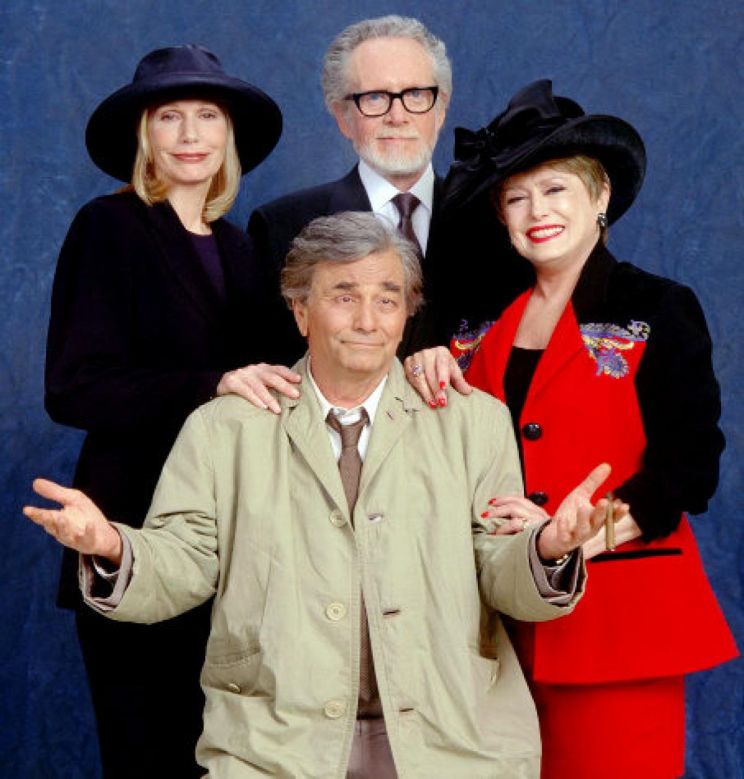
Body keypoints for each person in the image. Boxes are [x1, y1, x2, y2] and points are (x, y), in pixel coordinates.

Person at [28, 212, 626, 778]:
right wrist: (112, 548)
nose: (368, 320)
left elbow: (499, 571)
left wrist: (546, 549)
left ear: (407, 314)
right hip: (275, 746)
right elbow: (183, 562)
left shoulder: (473, 422)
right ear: (299, 311)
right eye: (343, 296)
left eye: (387, 299)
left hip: (452, 740)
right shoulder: (223, 428)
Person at [404, 80, 738, 779]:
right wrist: (420, 356)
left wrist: (573, 537)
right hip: (489, 629)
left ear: (600, 195)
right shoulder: (472, 324)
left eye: (555, 190)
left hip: (617, 622)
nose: (537, 212)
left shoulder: (658, 306)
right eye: (516, 198)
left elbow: (690, 468)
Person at [44, 44, 286, 778]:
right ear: (144, 135)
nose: (189, 134)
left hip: (234, 544)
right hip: (133, 531)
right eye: (168, 116)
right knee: (147, 755)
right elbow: (73, 387)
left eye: (207, 115)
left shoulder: (242, 248)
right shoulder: (109, 226)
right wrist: (211, 383)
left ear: (228, 134)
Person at [243, 15, 471, 415]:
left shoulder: (489, 217)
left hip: (464, 440)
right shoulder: (283, 226)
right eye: (375, 98)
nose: (397, 116)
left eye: (416, 94)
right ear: (342, 116)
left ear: (441, 108)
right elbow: (269, 371)